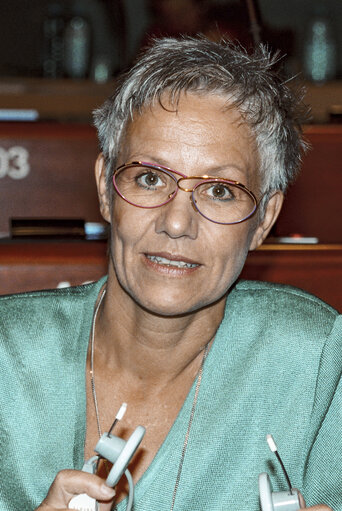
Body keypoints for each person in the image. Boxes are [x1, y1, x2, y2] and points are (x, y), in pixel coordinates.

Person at [0, 37, 341, 511]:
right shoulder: (7, 355)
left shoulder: (318, 363)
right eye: (150, 178)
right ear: (105, 189)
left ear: (264, 218)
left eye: (220, 190)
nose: (177, 223)